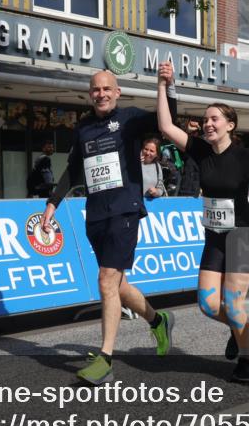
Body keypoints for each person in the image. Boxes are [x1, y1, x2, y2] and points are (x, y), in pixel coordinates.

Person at [155, 63, 249, 381]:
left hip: (242, 234)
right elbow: (165, 125)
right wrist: (163, 84)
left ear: (230, 125)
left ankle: (247, 360)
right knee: (206, 302)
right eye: (205, 119)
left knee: (232, 301)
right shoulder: (200, 151)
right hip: (214, 235)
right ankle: (241, 326)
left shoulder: (247, 157)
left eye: (214, 119)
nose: (207, 123)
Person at [42, 68, 177, 385]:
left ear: (117, 92)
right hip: (97, 215)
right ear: (90, 95)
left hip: (125, 211)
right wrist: (51, 205)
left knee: (105, 280)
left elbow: (168, 120)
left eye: (107, 89)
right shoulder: (84, 127)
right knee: (117, 285)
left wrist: (165, 87)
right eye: (95, 90)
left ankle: (105, 358)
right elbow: (73, 171)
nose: (101, 94)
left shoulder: (129, 119)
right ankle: (158, 320)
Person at [175, 119, 202, 197]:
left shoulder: (204, 147)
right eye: (193, 133)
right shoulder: (184, 148)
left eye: (196, 132)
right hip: (184, 189)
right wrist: (188, 131)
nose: (195, 134)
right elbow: (181, 143)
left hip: (198, 191)